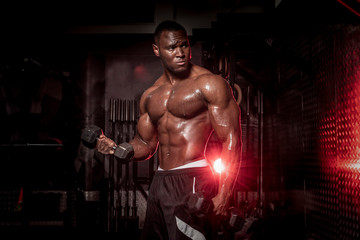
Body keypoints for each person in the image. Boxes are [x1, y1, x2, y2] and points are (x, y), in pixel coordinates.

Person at [96, 20, 242, 240]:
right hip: (160, 182)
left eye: (183, 45)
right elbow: (145, 144)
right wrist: (116, 148)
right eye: (172, 47)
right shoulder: (150, 95)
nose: (180, 52)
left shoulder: (209, 84)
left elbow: (231, 140)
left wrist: (224, 192)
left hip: (193, 179)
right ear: (157, 50)